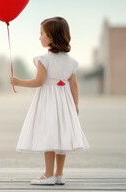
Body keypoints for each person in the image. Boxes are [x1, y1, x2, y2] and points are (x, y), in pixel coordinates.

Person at [10, 16, 89, 186]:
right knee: (62, 137)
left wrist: (18, 82)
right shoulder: (71, 62)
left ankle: (48, 175)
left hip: (48, 102)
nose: (40, 37)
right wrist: (75, 105)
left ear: (51, 37)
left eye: (42, 34)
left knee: (49, 136)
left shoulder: (43, 60)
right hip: (65, 101)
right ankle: (59, 174)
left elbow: (39, 82)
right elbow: (74, 86)